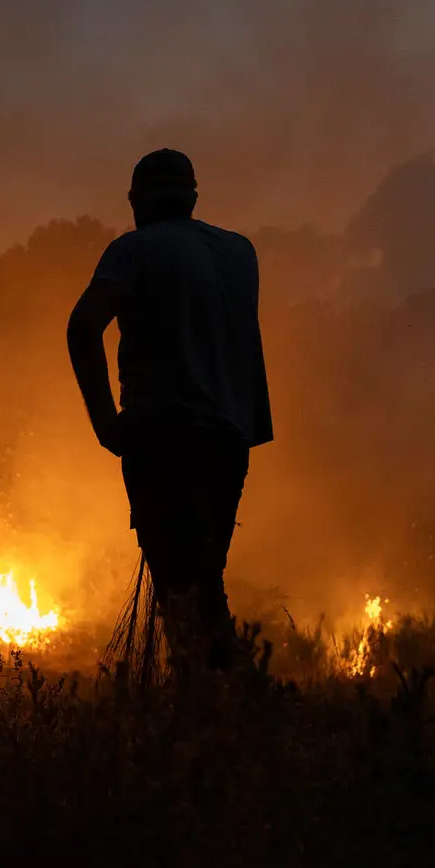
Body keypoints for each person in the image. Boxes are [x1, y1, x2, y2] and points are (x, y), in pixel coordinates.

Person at [66, 148, 272, 670]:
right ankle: (221, 696)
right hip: (228, 440)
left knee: (182, 591)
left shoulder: (133, 250)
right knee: (204, 578)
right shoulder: (240, 252)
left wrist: (105, 423)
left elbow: (84, 326)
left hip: (162, 437)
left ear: (136, 201)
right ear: (192, 196)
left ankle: (221, 695)